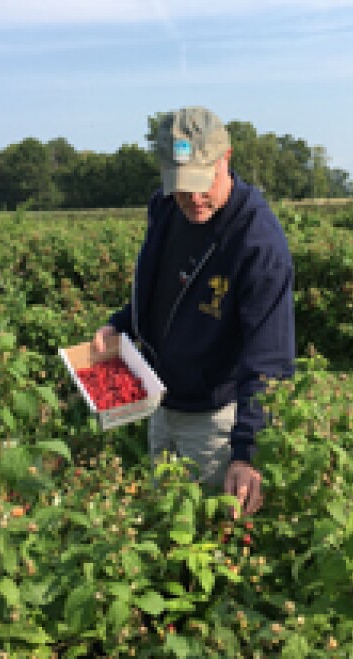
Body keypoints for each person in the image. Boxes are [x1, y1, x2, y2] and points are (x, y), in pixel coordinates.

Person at [93, 106, 295, 517]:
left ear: (228, 159)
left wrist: (246, 452)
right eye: (182, 185)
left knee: (207, 538)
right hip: (161, 403)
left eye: (204, 183)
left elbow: (270, 358)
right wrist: (121, 326)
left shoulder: (257, 243)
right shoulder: (167, 210)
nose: (194, 197)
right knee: (164, 520)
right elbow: (164, 289)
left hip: (213, 419)